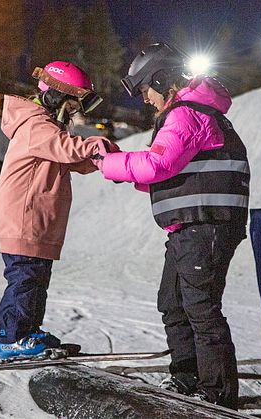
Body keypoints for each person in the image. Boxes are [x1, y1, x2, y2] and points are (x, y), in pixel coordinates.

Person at [92, 43, 249, 410]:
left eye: (146, 89)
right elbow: (163, 172)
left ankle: (217, 394)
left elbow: (155, 166)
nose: (145, 99)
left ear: (161, 79)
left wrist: (107, 162)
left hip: (204, 226)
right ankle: (187, 377)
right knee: (173, 302)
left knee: (200, 308)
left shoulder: (185, 115)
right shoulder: (189, 114)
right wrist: (119, 163)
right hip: (190, 226)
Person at [0, 61, 115, 360]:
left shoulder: (45, 129)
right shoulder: (35, 125)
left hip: (39, 221)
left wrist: (104, 161)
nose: (73, 113)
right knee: (25, 279)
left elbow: (73, 159)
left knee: (35, 280)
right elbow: (66, 148)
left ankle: (27, 331)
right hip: (25, 219)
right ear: (56, 97)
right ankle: (12, 337)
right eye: (71, 105)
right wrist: (96, 146)